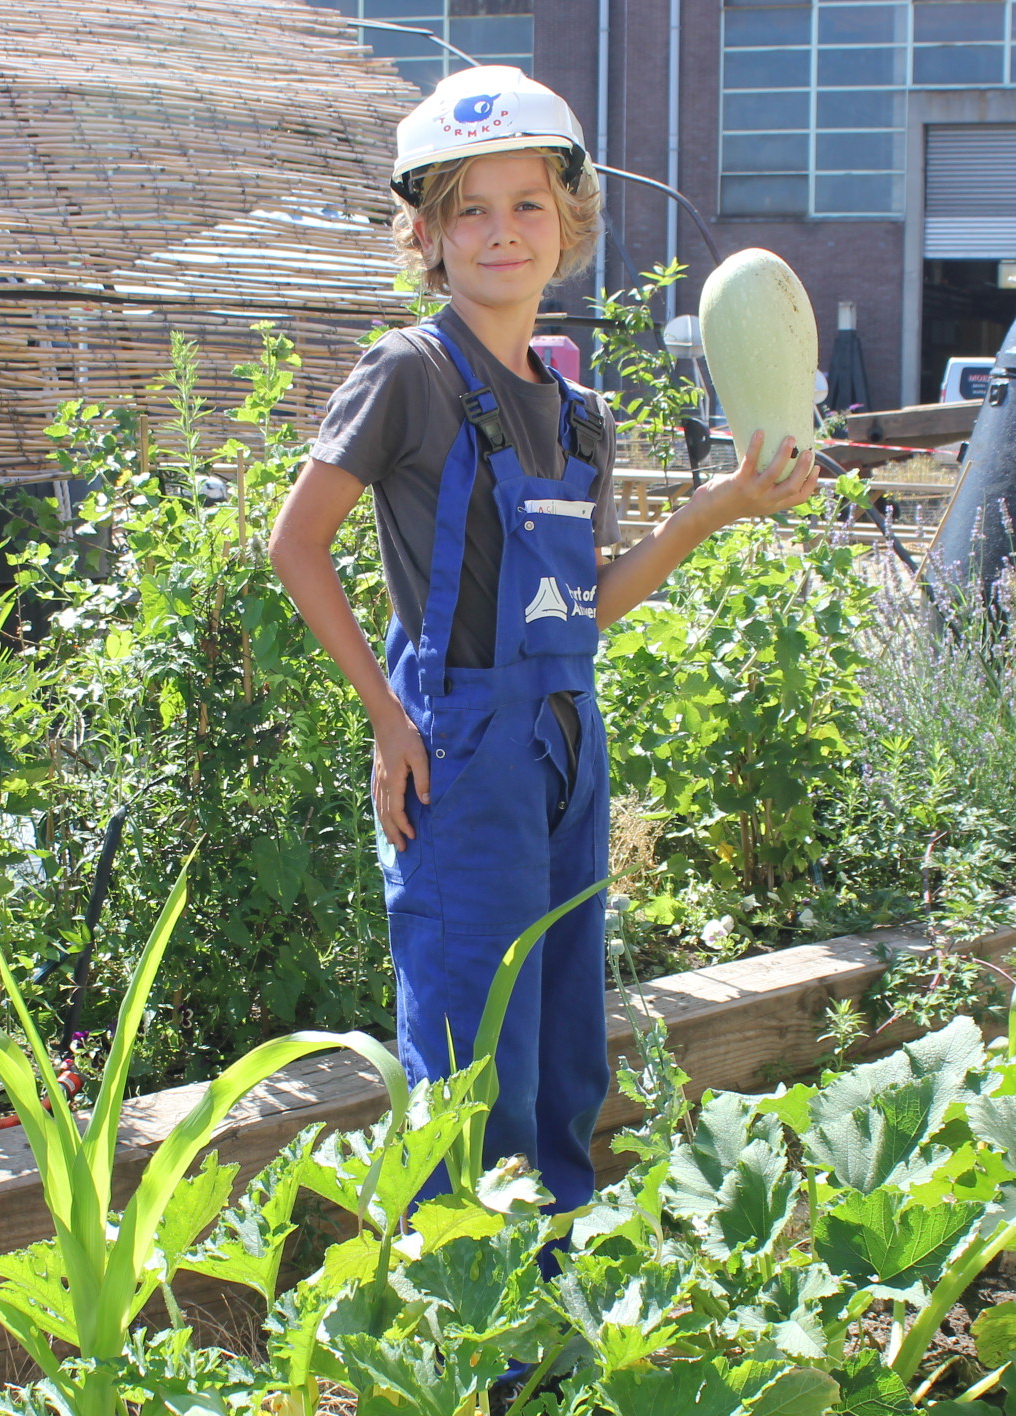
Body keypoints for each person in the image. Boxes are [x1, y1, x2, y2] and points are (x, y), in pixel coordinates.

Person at [266, 65, 817, 1223]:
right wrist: (385, 715)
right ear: (426, 233)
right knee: (474, 1069)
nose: (501, 232)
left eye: (528, 205)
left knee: (566, 1050)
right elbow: (296, 546)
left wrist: (719, 505)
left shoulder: (579, 415)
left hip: (568, 737)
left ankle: (556, 1315)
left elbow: (588, 607)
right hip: (460, 744)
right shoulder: (408, 375)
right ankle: (470, 1347)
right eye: (470, 207)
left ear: (569, 222)